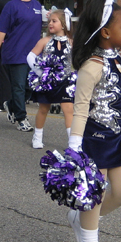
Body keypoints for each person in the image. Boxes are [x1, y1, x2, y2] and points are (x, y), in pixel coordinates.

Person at [66, 0, 121, 242]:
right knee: (94, 194)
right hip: (95, 138)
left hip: (119, 136)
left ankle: (82, 219)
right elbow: (80, 109)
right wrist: (74, 146)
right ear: (105, 32)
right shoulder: (92, 66)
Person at [0, 0, 43, 132]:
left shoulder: (37, 6)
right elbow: (2, 30)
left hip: (33, 54)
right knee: (19, 86)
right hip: (16, 52)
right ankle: (21, 118)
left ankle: (11, 104)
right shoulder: (11, 6)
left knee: (29, 87)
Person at [27, 9, 74, 149]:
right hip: (47, 81)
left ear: (64, 24)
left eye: (54, 21)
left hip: (66, 81)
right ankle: (37, 137)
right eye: (49, 21)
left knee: (68, 109)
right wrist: (41, 73)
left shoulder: (72, 42)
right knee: (43, 108)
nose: (50, 24)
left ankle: (73, 143)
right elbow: (30, 56)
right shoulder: (45, 41)